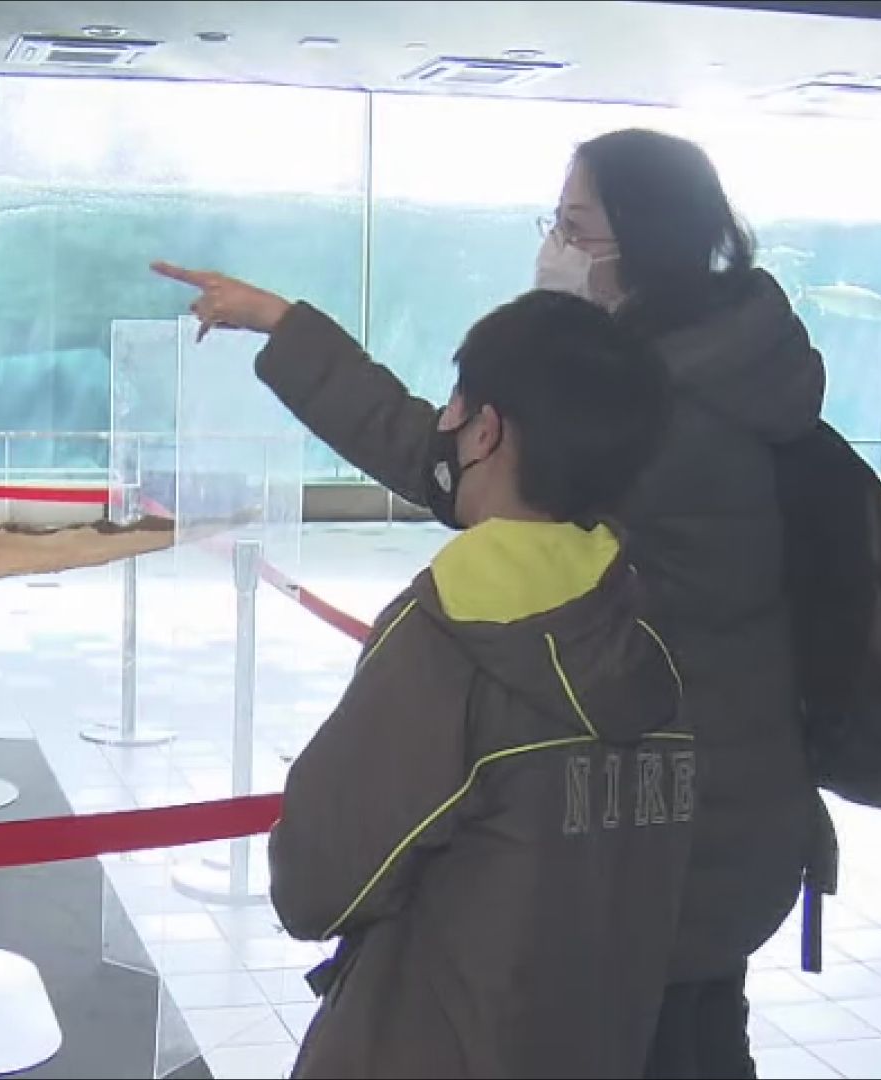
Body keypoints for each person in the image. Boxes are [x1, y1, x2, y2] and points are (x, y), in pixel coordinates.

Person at [157, 127, 824, 1079]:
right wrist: (288, 327)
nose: (555, 245)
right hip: (700, 842)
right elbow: (451, 454)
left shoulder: (650, 418)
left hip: (659, 849)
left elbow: (320, 875)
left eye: (576, 226)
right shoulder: (711, 371)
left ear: (645, 237)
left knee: (673, 1037)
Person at [262, 288, 691, 1077]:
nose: (445, 423)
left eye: (455, 404)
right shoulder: (650, 633)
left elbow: (315, 883)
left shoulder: (448, 634)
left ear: (486, 430)